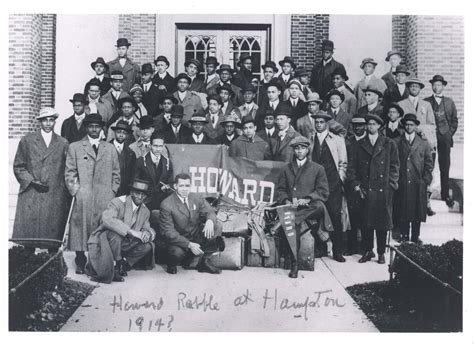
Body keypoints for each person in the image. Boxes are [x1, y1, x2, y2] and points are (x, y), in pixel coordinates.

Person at [65, 113, 121, 274]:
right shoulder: (75, 147)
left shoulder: (109, 148)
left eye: (97, 126)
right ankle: (80, 259)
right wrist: (76, 191)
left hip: (104, 196)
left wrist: (112, 191)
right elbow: (70, 172)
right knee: (80, 228)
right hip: (84, 195)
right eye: (91, 126)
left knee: (100, 228)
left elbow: (116, 173)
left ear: (101, 128)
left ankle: (97, 260)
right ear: (86, 127)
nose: (94, 129)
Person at [12, 107, 69, 253]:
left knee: (52, 237)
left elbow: (67, 169)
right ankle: (28, 267)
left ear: (55, 122)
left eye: (51, 120)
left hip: (53, 194)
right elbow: (19, 166)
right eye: (45, 120)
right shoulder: (27, 141)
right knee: (29, 237)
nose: (48, 123)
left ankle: (52, 269)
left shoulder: (63, 143)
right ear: (40, 122)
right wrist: (31, 181)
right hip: (31, 192)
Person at [347, 114, 399, 264]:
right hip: (364, 190)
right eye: (368, 124)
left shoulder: (388, 143)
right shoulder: (359, 144)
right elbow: (352, 168)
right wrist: (356, 185)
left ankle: (381, 252)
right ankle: (368, 251)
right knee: (366, 223)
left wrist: (391, 184)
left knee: (381, 223)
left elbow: (395, 166)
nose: (370, 127)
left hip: (383, 190)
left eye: (373, 124)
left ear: (379, 126)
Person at [276, 136, 330, 278]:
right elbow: (280, 190)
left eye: (303, 148)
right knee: (294, 223)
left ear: (308, 150)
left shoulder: (318, 169)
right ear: (293, 151)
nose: (300, 151)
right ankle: (295, 264)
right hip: (293, 207)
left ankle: (295, 218)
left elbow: (323, 192)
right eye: (297, 148)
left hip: (310, 206)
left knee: (319, 206)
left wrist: (307, 199)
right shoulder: (286, 169)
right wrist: (286, 200)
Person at [85, 179, 156, 283]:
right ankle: (117, 265)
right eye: (137, 193)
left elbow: (148, 227)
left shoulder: (145, 211)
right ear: (131, 192)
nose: (140, 197)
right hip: (107, 241)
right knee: (116, 236)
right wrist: (131, 231)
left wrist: (147, 233)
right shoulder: (118, 202)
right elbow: (107, 219)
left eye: (143, 195)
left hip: (126, 243)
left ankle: (124, 263)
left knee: (148, 246)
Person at [159, 173, 224, 274]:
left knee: (217, 226)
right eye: (181, 186)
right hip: (179, 241)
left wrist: (210, 221)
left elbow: (210, 211)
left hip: (195, 236)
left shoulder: (195, 198)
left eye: (187, 186)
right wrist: (189, 244)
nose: (185, 189)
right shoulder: (166, 204)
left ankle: (203, 262)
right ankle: (175, 264)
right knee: (176, 253)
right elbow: (168, 232)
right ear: (175, 186)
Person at [310, 111, 348, 262]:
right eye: (316, 122)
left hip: (333, 183)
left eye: (321, 122)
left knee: (334, 216)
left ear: (327, 124)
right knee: (318, 215)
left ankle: (337, 251)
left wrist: (340, 180)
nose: (318, 125)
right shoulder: (311, 139)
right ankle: (321, 248)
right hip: (316, 184)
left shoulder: (337, 140)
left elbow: (343, 163)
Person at [398, 78, 437, 216]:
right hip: (407, 144)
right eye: (412, 86)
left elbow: (432, 125)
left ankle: (426, 203)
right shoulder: (401, 104)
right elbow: (399, 125)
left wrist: (423, 133)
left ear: (420, 89)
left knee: (424, 173)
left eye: (417, 86)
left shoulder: (426, 105)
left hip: (421, 145)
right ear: (408, 88)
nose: (414, 88)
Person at [393, 114, 433, 244]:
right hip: (402, 181)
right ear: (404, 126)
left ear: (416, 126)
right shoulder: (397, 142)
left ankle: (415, 236)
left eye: (412, 124)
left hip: (418, 182)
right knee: (403, 210)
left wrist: (425, 180)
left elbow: (429, 163)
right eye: (407, 124)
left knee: (417, 211)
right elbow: (393, 161)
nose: (409, 127)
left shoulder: (423, 143)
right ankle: (404, 235)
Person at [424, 75, 458, 208]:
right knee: (429, 166)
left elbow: (454, 121)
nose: (436, 87)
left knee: (445, 166)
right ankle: (426, 196)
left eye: (439, 85)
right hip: (430, 139)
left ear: (443, 86)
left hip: (445, 139)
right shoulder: (426, 102)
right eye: (434, 85)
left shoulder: (450, 102)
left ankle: (445, 194)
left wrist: (449, 134)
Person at [344, 116, 367, 256]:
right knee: (351, 215)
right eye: (355, 126)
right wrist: (353, 182)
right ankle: (351, 246)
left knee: (365, 217)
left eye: (360, 125)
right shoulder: (348, 142)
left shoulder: (369, 142)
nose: (357, 128)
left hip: (365, 185)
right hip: (351, 183)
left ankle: (365, 247)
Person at [134, 132, 174, 211]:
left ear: (163, 146)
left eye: (160, 146)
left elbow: (171, 182)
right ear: (150, 145)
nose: (158, 149)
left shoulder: (168, 162)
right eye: (155, 146)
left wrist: (167, 187)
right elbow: (136, 183)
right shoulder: (141, 161)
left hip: (162, 203)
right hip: (145, 202)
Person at [109, 121, 136, 197]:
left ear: (127, 135)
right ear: (114, 132)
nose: (121, 135)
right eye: (119, 132)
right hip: (109, 189)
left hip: (124, 190)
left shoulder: (131, 153)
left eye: (124, 133)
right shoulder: (106, 148)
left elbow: (132, 174)